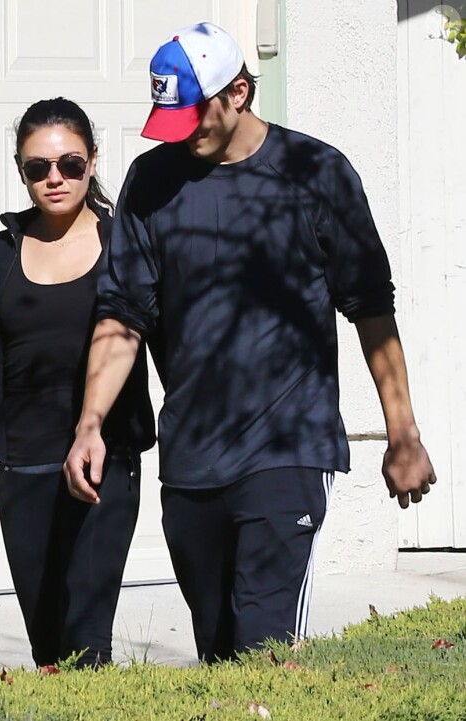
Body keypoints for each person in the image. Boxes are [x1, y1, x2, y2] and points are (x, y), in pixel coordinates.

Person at [64, 23, 437, 663]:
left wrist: (402, 434)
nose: (184, 133)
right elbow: (123, 315)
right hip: (191, 459)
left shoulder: (316, 173)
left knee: (264, 653)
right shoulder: (152, 184)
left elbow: (371, 311)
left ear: (238, 91)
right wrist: (90, 422)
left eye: (194, 115)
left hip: (287, 449)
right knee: (218, 655)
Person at [0, 97, 155, 669]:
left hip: (106, 461)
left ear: (93, 161)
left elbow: (164, 337)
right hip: (24, 464)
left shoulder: (123, 244)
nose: (55, 178)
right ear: (22, 171)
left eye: (70, 164)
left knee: (87, 641)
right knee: (48, 646)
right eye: (38, 168)